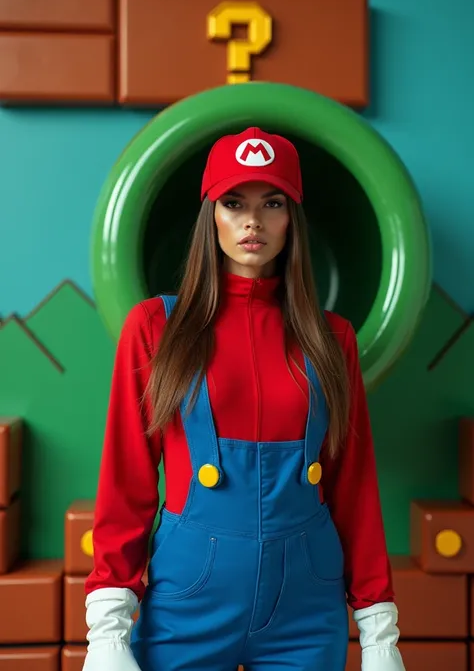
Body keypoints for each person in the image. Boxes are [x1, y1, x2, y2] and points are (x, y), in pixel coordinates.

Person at [82, 127, 406, 671]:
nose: (252, 222)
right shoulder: (155, 328)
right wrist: (107, 626)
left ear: (291, 218)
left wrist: (379, 628)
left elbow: (354, 485)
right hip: (189, 598)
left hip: (307, 605)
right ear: (211, 215)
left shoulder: (333, 339)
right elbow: (127, 480)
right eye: (234, 203)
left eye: (271, 203)